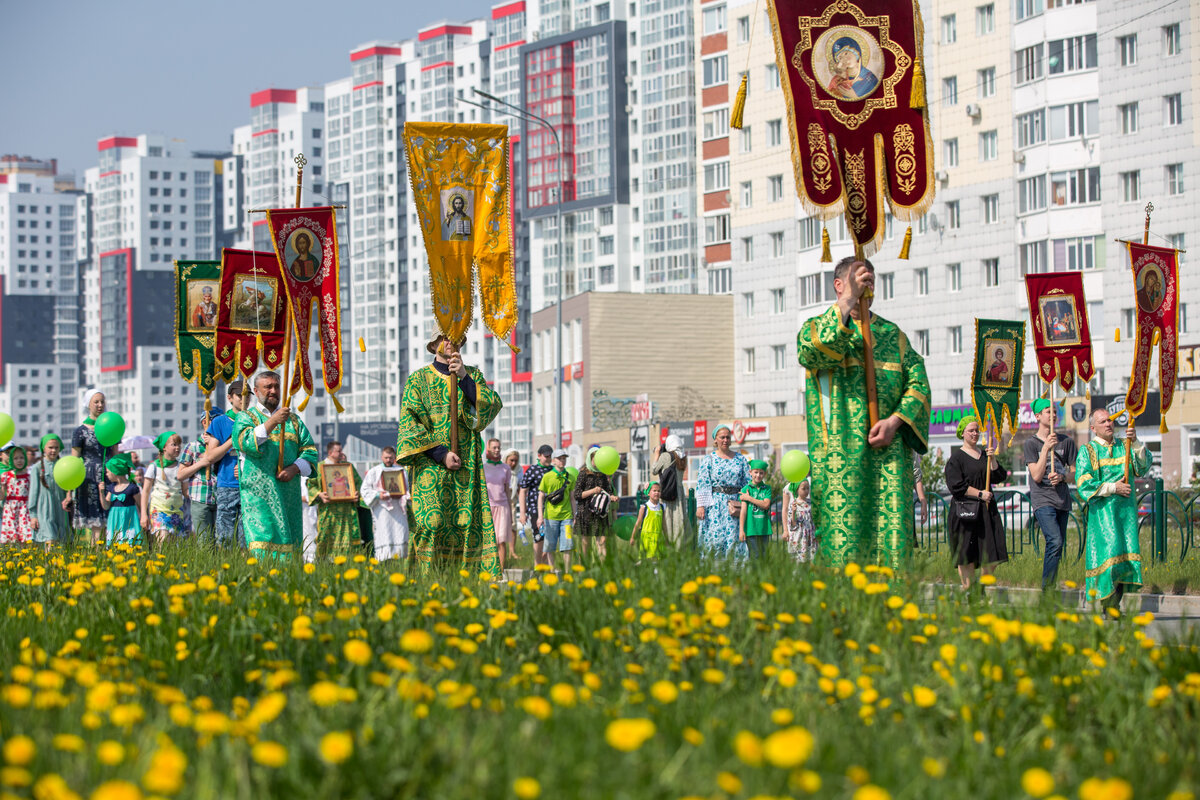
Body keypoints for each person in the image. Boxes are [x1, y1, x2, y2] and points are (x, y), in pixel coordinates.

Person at [797, 256, 931, 569]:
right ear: (839, 285)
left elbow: (919, 387)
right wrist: (848, 302)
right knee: (844, 548)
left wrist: (895, 422)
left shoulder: (893, 335)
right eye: (858, 279)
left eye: (869, 279)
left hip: (889, 460)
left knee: (892, 546)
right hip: (840, 459)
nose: (866, 284)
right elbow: (811, 350)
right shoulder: (817, 327)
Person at [396, 335, 502, 574]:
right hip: (430, 465)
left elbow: (491, 405)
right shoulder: (418, 380)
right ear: (433, 344)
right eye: (444, 338)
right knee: (431, 524)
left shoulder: (472, 374)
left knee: (465, 525)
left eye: (455, 338)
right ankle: (424, 585)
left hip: (466, 465)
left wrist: (464, 377)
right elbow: (409, 426)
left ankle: (464, 588)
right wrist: (440, 453)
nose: (450, 342)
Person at [232, 371, 319, 559]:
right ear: (256, 390)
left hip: (288, 495)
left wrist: (294, 468)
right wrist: (273, 421)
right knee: (262, 543)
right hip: (259, 496)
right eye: (267, 387)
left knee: (290, 543)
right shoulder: (246, 417)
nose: (273, 391)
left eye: (276, 387)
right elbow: (244, 441)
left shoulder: (294, 421)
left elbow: (310, 452)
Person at [1076, 410, 1150, 610]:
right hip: (1103, 515)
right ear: (1093, 428)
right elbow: (1083, 483)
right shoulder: (1088, 450)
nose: (1109, 424)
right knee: (1110, 556)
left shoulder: (1123, 446)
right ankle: (1109, 605)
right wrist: (1113, 487)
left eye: (1110, 420)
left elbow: (1142, 467)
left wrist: (1135, 443)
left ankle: (1114, 605)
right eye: (1103, 421)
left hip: (1125, 513)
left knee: (1124, 558)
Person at [944, 416, 1009, 591]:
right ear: (963, 433)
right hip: (965, 513)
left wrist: (992, 458)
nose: (974, 433)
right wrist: (980, 494)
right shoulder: (956, 459)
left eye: (976, 430)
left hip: (986, 512)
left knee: (993, 553)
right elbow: (955, 485)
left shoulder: (984, 455)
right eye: (970, 430)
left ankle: (981, 585)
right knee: (967, 556)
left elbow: (999, 476)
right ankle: (970, 590)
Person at [1023, 397, 1077, 591]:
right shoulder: (1031, 444)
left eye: (1054, 411)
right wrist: (1046, 448)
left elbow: (1075, 474)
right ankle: (1048, 591)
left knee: (1058, 546)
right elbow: (1036, 476)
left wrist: (1063, 478)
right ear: (1038, 416)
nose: (1053, 414)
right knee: (1055, 540)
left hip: (1061, 499)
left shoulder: (1067, 442)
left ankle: (1050, 585)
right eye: (1048, 411)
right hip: (1042, 500)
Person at [695, 425, 751, 560]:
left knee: (735, 540)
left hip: (735, 504)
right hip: (715, 504)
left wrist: (746, 501)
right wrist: (701, 506)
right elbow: (703, 482)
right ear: (716, 440)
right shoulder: (709, 459)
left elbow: (746, 482)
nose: (725, 440)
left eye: (728, 437)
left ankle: (735, 573)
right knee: (715, 539)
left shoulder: (740, 459)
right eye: (722, 437)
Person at [206, 380, 247, 548]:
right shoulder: (220, 422)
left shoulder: (256, 421)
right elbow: (211, 456)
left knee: (247, 538)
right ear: (230, 397)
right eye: (239, 396)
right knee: (225, 538)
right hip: (227, 484)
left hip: (249, 485)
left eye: (246, 396)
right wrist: (232, 440)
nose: (243, 400)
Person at [71, 389, 115, 545]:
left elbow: (115, 456)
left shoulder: (111, 426)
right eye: (96, 402)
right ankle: (95, 552)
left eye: (102, 401)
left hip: (108, 476)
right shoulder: (80, 431)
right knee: (95, 522)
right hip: (88, 479)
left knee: (109, 518)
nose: (100, 405)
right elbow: (74, 461)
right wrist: (69, 491)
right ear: (88, 404)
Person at [307, 441, 363, 559]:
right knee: (326, 536)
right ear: (330, 452)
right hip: (328, 511)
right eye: (338, 451)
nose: (341, 453)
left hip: (346, 511)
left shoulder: (348, 467)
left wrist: (357, 493)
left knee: (347, 536)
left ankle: (347, 562)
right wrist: (319, 494)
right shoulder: (320, 467)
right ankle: (325, 564)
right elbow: (311, 485)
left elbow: (358, 484)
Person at [361, 446, 410, 560]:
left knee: (400, 532)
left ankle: (401, 557)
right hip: (382, 510)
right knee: (385, 532)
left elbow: (406, 488)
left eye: (391, 458)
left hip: (399, 508)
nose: (388, 460)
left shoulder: (401, 471)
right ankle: (383, 559)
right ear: (382, 457)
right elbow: (364, 490)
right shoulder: (374, 472)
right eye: (386, 457)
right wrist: (378, 495)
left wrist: (406, 495)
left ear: (394, 458)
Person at [142, 432, 190, 542]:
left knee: (174, 546)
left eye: (179, 445)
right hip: (159, 511)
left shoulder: (181, 467)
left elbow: (185, 490)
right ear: (164, 447)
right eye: (174, 444)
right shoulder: (154, 467)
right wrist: (144, 515)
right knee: (163, 541)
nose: (177, 448)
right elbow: (145, 491)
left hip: (177, 512)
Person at [573, 445, 618, 561]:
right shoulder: (583, 473)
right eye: (595, 459)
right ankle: (583, 568)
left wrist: (612, 497)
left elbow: (607, 492)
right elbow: (577, 495)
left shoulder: (602, 474)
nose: (597, 462)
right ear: (590, 459)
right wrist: (593, 491)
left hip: (600, 513)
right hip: (586, 513)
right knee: (585, 544)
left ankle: (603, 569)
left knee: (602, 541)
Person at [179, 414, 216, 541]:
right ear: (205, 422)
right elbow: (181, 474)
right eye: (214, 421)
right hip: (200, 498)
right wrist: (200, 463)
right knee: (204, 540)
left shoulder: (223, 446)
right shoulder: (193, 446)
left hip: (220, 497)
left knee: (222, 540)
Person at [29, 434, 70, 548]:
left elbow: (70, 486)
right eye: (50, 447)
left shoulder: (64, 465)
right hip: (44, 508)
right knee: (49, 538)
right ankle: (49, 564)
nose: (53, 450)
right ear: (43, 449)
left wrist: (69, 497)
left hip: (61, 507)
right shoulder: (37, 468)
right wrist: (33, 515)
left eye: (56, 448)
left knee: (62, 540)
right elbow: (33, 492)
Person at [538, 448, 575, 572]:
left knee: (568, 545)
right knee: (549, 546)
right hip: (551, 518)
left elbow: (572, 497)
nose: (562, 461)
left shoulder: (570, 477)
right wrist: (540, 516)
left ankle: (566, 572)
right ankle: (552, 571)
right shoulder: (547, 477)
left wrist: (574, 516)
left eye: (564, 458)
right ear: (553, 460)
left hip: (567, 517)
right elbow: (541, 496)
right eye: (560, 459)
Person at [650, 434, 690, 548]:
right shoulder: (683, 457)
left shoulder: (666, 456)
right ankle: (680, 547)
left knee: (667, 521)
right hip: (679, 492)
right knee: (679, 520)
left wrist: (657, 454)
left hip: (667, 491)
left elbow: (654, 470)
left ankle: (669, 547)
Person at [483, 438, 515, 569]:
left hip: (502, 506)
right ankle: (488, 568)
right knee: (488, 539)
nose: (497, 450)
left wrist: (510, 509)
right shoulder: (483, 467)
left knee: (501, 540)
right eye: (494, 447)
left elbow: (507, 490)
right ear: (488, 449)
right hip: (488, 506)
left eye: (498, 448)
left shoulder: (506, 468)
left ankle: (501, 570)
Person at [519, 445, 554, 566]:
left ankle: (543, 566)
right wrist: (523, 513)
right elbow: (523, 491)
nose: (548, 459)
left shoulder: (553, 470)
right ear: (539, 456)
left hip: (552, 509)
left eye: (550, 456)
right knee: (539, 537)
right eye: (546, 456)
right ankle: (537, 567)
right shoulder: (532, 470)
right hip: (535, 508)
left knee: (550, 540)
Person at [101, 455, 141, 546]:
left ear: (115, 472)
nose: (106, 475)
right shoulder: (112, 488)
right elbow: (106, 506)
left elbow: (141, 505)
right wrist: (101, 493)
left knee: (130, 540)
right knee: (115, 540)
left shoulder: (132, 488)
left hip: (129, 518)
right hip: (115, 519)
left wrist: (143, 518)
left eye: (108, 472)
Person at [738, 459, 773, 560]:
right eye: (756, 472)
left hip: (764, 529)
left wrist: (749, 498)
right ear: (750, 472)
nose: (758, 475)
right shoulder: (745, 489)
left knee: (765, 556)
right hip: (751, 529)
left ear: (765, 474)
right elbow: (743, 511)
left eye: (761, 473)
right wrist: (741, 530)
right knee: (755, 556)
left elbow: (766, 504)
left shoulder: (767, 488)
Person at [0, 445, 32, 544]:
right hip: (10, 507)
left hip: (24, 508)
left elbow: (31, 494)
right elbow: (1, 497)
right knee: (11, 534)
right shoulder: (6, 475)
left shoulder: (28, 476)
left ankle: (25, 554)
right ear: (11, 460)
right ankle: (12, 555)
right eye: (16, 458)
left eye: (22, 458)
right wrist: (1, 486)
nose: (19, 461)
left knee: (25, 533)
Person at [630, 481, 664, 560]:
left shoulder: (662, 507)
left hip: (658, 537)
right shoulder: (644, 507)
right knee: (648, 559)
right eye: (654, 491)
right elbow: (638, 523)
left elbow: (664, 524)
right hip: (647, 538)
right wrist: (632, 537)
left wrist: (666, 538)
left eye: (658, 491)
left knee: (658, 560)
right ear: (648, 493)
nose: (657, 493)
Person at [784, 480, 816, 563]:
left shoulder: (810, 503)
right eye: (803, 489)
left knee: (810, 560)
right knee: (798, 562)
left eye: (808, 488)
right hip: (799, 537)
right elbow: (793, 524)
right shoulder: (794, 504)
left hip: (809, 536)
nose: (806, 491)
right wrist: (794, 512)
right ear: (797, 490)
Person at [504, 449, 523, 544]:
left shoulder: (519, 470)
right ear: (506, 459)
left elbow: (520, 488)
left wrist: (523, 505)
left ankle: (512, 551)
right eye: (511, 460)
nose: (513, 463)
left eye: (516, 460)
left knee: (513, 524)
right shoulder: (501, 469)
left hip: (513, 498)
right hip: (502, 498)